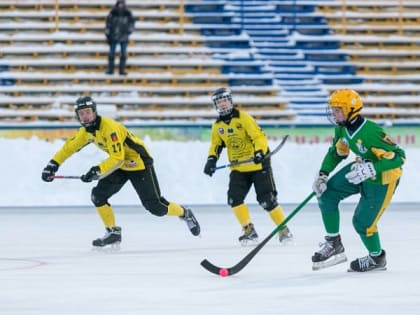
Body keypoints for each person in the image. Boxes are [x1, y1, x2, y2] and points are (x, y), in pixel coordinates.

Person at [41, 96, 200, 248]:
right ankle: (113, 232)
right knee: (98, 195)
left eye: (88, 112)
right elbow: (69, 148)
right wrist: (53, 164)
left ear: (95, 111)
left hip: (139, 162)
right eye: (81, 114)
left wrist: (97, 170)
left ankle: (185, 213)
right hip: (120, 164)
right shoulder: (86, 132)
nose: (85, 117)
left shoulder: (109, 128)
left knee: (155, 207)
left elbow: (118, 156)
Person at [311, 89, 405, 272]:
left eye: (338, 110)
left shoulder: (371, 132)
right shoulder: (341, 127)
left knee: (363, 224)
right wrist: (323, 173)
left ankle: (377, 258)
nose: (333, 114)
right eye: (333, 110)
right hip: (359, 169)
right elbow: (338, 152)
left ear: (351, 110)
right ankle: (334, 243)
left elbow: (399, 157)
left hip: (382, 180)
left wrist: (372, 168)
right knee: (327, 194)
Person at [203, 87, 293, 245]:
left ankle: (283, 229)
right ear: (216, 106)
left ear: (230, 101)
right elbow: (216, 145)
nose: (222, 104)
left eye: (224, 100)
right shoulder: (217, 126)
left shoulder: (244, 118)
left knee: (267, 200)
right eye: (219, 102)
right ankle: (248, 230)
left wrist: (259, 152)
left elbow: (259, 137)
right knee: (234, 199)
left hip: (259, 166)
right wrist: (211, 160)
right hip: (238, 168)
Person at [105, 0, 135, 75]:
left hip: (124, 36)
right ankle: (110, 70)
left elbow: (132, 23)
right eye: (119, 4)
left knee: (123, 54)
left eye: (122, 4)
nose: (120, 5)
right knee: (112, 53)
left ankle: (122, 70)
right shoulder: (112, 13)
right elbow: (108, 24)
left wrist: (129, 31)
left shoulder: (128, 13)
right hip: (113, 36)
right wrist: (108, 33)